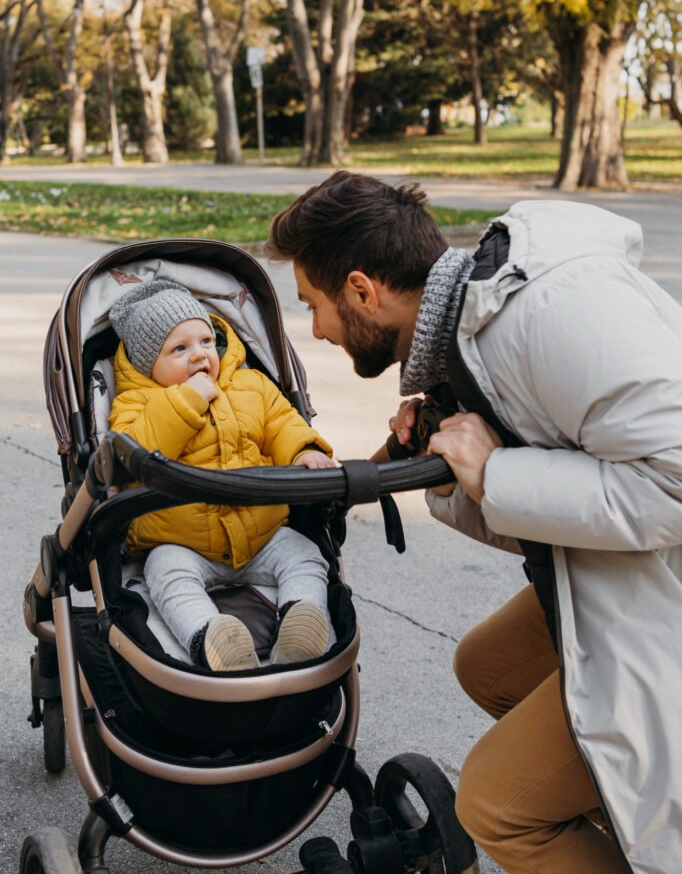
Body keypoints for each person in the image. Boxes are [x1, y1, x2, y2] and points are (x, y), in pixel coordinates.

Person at [266, 170, 682, 874]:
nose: (316, 329)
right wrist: (451, 464)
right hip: (628, 569)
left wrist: (498, 473)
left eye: (314, 305)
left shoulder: (552, 312)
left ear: (364, 290)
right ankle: (623, 828)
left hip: (663, 587)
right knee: (487, 667)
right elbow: (547, 516)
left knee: (494, 806)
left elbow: (674, 482)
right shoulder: (470, 336)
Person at [108, 278, 337, 672]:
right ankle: (212, 638)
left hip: (260, 535)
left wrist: (306, 452)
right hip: (179, 543)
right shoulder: (135, 403)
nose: (199, 355)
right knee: (165, 574)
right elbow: (135, 452)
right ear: (148, 364)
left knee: (305, 554)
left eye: (204, 341)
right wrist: (186, 401)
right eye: (179, 349)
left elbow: (283, 424)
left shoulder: (250, 385)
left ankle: (301, 623)